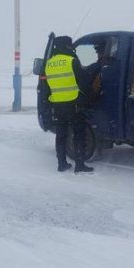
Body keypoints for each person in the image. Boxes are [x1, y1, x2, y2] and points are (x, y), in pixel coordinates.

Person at [45, 36, 94, 173]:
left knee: (61, 135)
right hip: (73, 104)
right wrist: (88, 97)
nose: (72, 47)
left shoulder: (49, 63)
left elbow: (46, 86)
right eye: (70, 45)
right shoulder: (71, 61)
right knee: (78, 134)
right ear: (67, 46)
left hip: (58, 104)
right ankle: (79, 165)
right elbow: (83, 82)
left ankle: (61, 164)